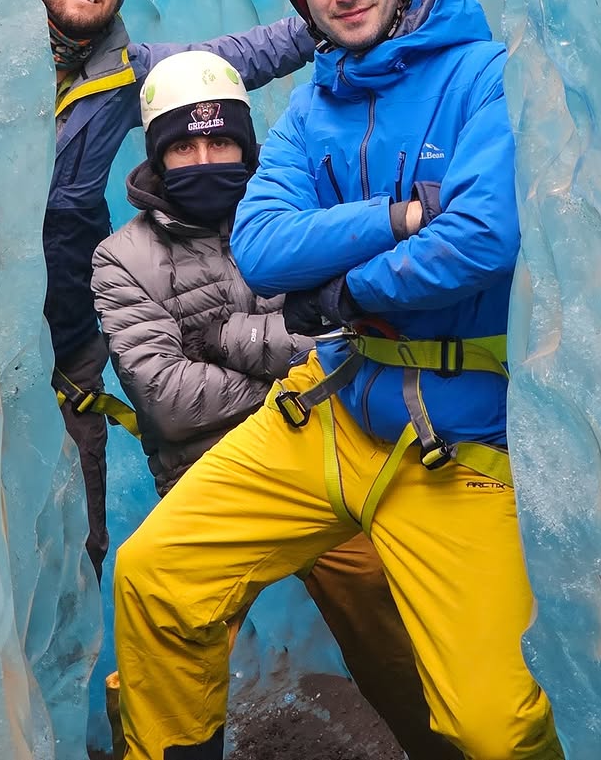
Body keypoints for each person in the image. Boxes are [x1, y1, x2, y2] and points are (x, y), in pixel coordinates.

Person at [112, 0, 563, 759]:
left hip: (455, 432)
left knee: (495, 724)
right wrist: (401, 217)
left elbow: (482, 236)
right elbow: (265, 244)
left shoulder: (483, 76)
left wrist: (348, 289)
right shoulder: (312, 105)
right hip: (330, 407)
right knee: (155, 575)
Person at [92, 51, 460, 760]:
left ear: (246, 145)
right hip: (206, 474)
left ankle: (441, 746)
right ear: (158, 155)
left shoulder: (293, 217)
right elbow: (166, 399)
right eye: (184, 145)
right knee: (160, 639)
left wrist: (231, 339)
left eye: (220, 142)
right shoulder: (122, 257)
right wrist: (294, 366)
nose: (205, 158)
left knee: (399, 631)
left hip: (322, 448)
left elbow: (351, 331)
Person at [27, 0, 314, 580]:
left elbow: (227, 62)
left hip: (67, 324)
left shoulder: (125, 72)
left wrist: (328, 23)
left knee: (70, 500)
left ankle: (74, 643)